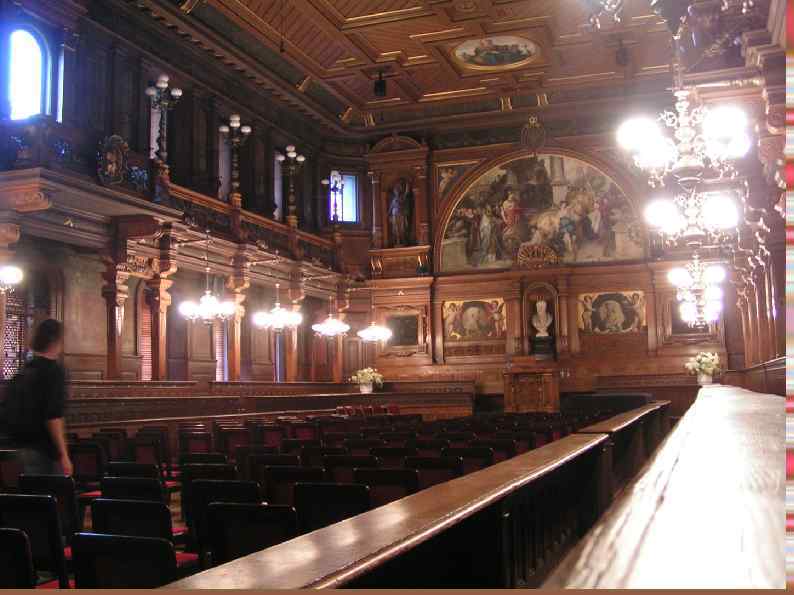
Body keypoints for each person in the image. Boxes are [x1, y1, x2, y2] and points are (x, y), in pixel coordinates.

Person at [4, 319, 72, 475]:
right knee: (52, 490)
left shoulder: (24, 370)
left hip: (20, 449)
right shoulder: (54, 371)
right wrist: (64, 454)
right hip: (45, 451)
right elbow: (53, 417)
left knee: (29, 490)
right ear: (55, 340)